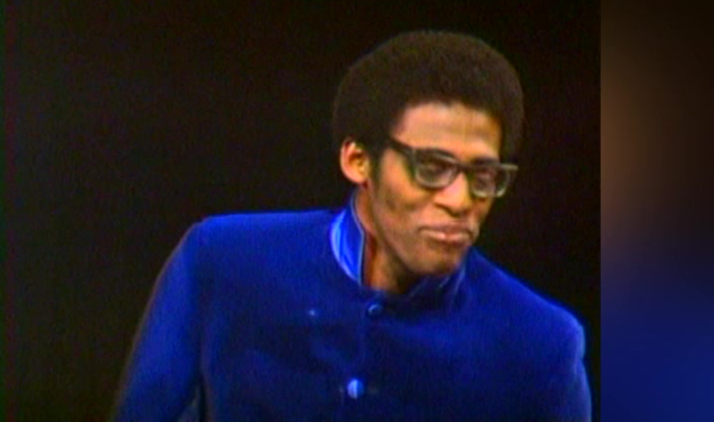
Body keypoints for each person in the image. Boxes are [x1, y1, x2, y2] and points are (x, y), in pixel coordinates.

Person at [111, 30, 592, 421]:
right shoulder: (224, 261)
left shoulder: (541, 345)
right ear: (358, 160)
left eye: (482, 176)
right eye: (432, 168)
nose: (460, 200)